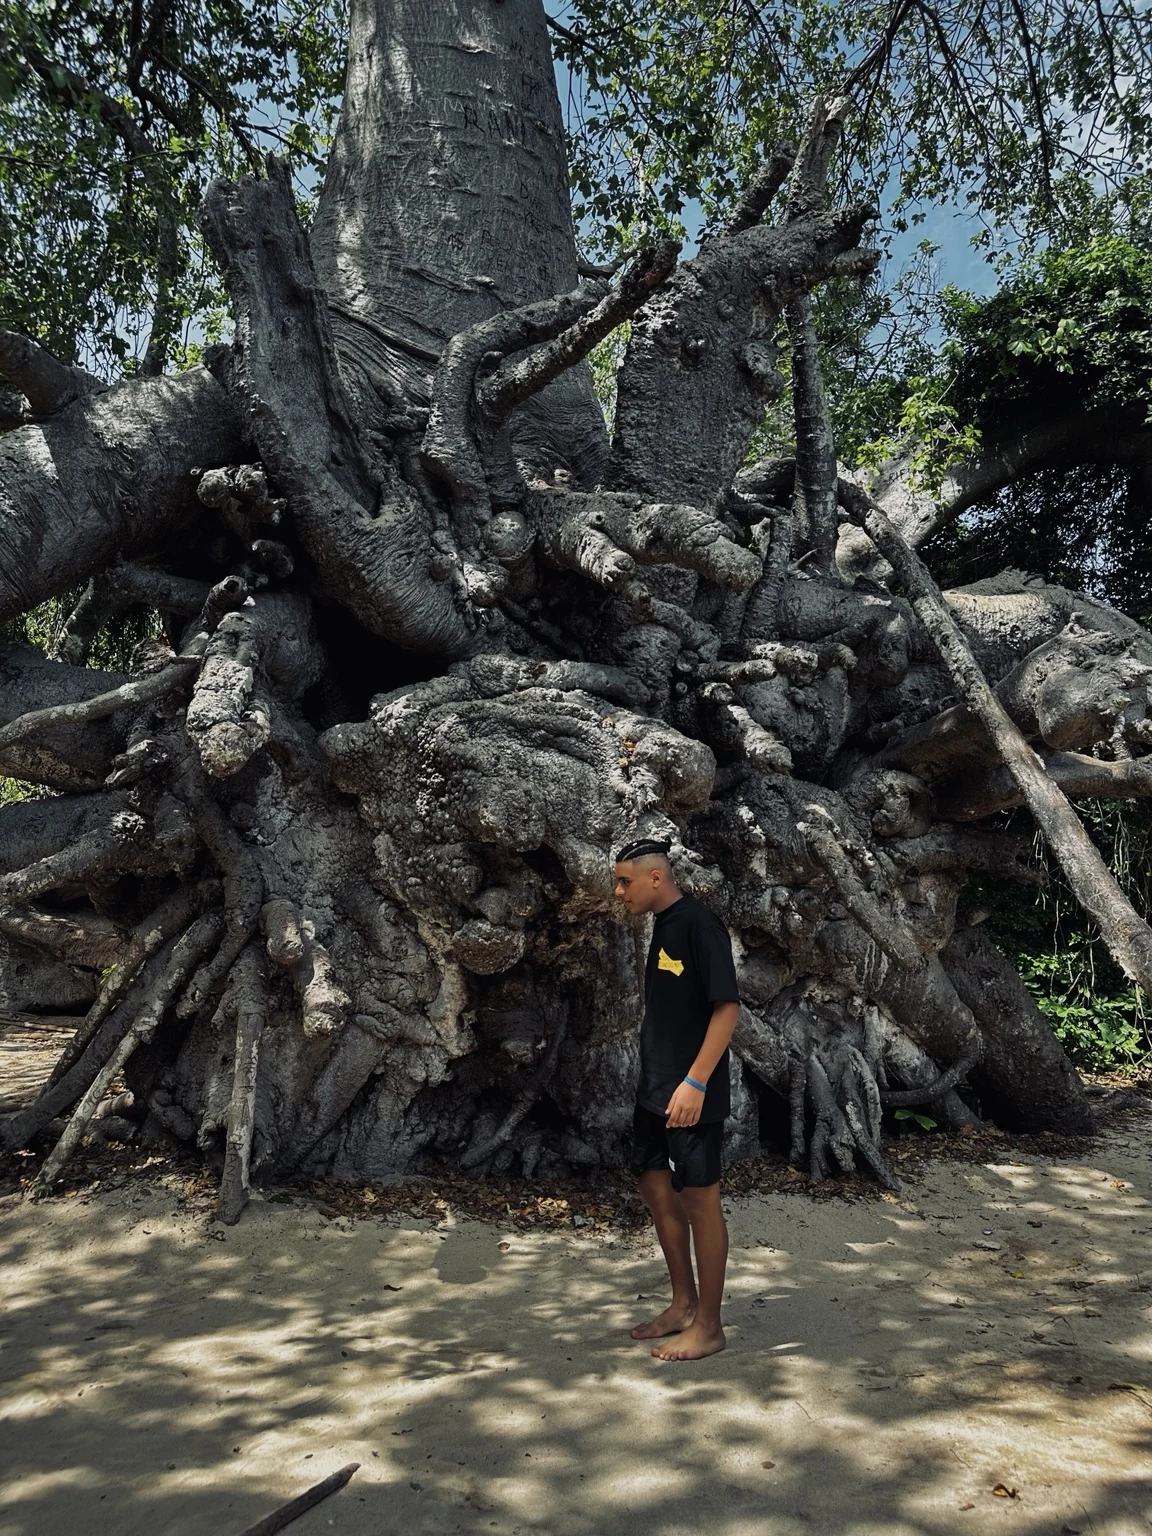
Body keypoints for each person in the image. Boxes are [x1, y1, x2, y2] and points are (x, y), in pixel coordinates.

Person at [613, 837, 740, 1362]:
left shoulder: (699, 926)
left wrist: (696, 1083)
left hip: (692, 1091)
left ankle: (709, 1326)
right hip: (656, 1088)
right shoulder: (662, 926)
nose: (618, 891)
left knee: (699, 1197)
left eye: (625, 881)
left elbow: (727, 1010)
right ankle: (683, 1304)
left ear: (656, 878)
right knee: (652, 1183)